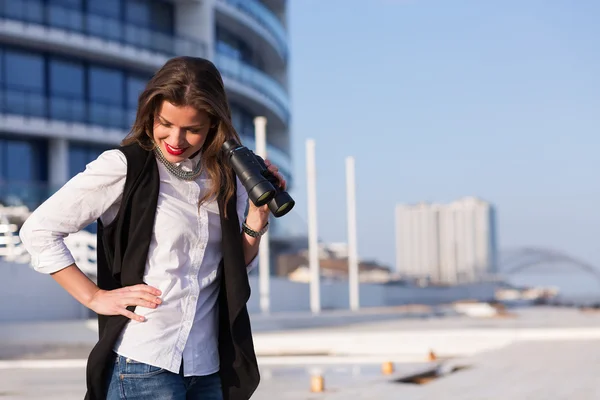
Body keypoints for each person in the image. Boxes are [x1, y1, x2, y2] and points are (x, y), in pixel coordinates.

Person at [19, 56, 286, 400]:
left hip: (209, 366)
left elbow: (234, 267)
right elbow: (39, 230)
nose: (176, 138)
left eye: (192, 129)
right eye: (165, 123)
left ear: (213, 126)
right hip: (145, 362)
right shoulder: (123, 167)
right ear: (150, 113)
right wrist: (94, 296)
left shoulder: (224, 175)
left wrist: (256, 218)